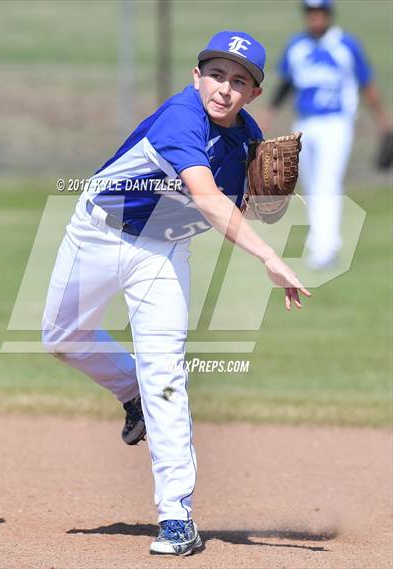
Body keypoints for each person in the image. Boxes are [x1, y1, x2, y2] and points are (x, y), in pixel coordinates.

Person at [41, 30, 310, 556]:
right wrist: (269, 256)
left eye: (239, 81)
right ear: (196, 76)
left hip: (162, 252)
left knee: (165, 372)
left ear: (253, 93)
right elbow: (208, 199)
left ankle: (177, 517)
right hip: (98, 232)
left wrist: (262, 206)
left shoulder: (246, 139)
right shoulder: (179, 119)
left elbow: (238, 201)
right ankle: (130, 391)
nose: (225, 89)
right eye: (216, 74)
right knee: (61, 338)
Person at [260, 0, 390, 269]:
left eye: (320, 12)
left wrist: (383, 120)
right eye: (310, 12)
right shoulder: (297, 46)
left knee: (327, 183)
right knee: (309, 185)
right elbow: (286, 84)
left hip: (336, 123)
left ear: (329, 15)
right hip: (305, 122)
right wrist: (268, 114)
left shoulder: (345, 45)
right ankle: (320, 244)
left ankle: (325, 248)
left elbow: (366, 84)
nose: (315, 18)